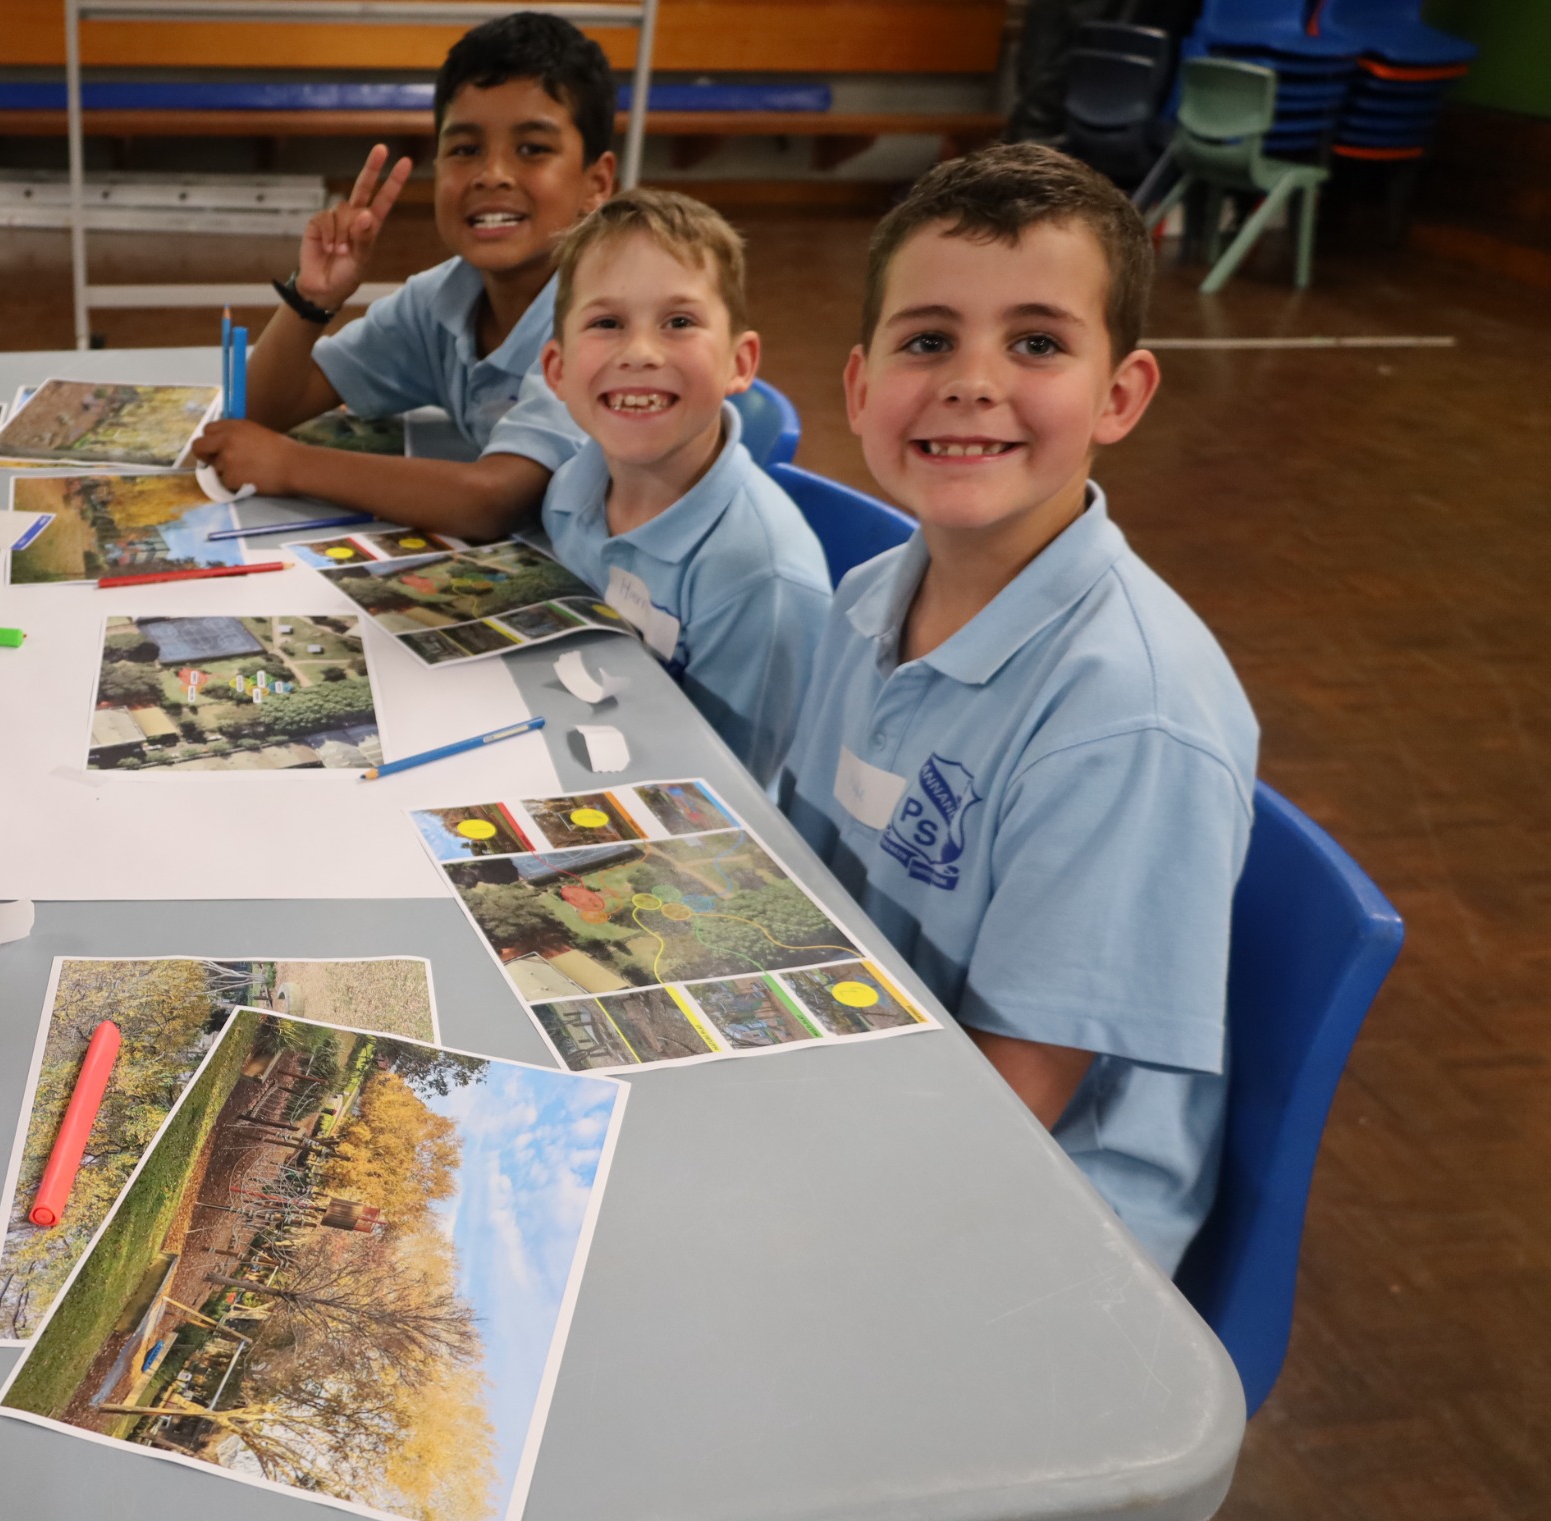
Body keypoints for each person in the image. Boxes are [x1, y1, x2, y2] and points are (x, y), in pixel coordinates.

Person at [778, 144, 1258, 1275]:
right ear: (859, 387)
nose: (971, 380)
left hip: (1043, 1230)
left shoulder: (1126, 718)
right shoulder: (861, 604)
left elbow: (1011, 1105)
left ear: (1119, 395)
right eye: (927, 339)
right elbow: (800, 888)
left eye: (1036, 342)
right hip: (866, 1076)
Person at [191, 11, 612, 542]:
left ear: (597, 183)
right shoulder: (443, 300)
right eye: (465, 149)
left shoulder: (609, 321)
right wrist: (311, 301)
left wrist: (292, 465)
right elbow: (256, 416)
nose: (492, 174)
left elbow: (491, 501)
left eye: (533, 149)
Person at [537, 188, 829, 786]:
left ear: (739, 364)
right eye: (607, 322)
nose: (640, 352)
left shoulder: (759, 578)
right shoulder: (571, 486)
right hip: (581, 744)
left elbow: (733, 791)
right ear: (557, 371)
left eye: (679, 322)